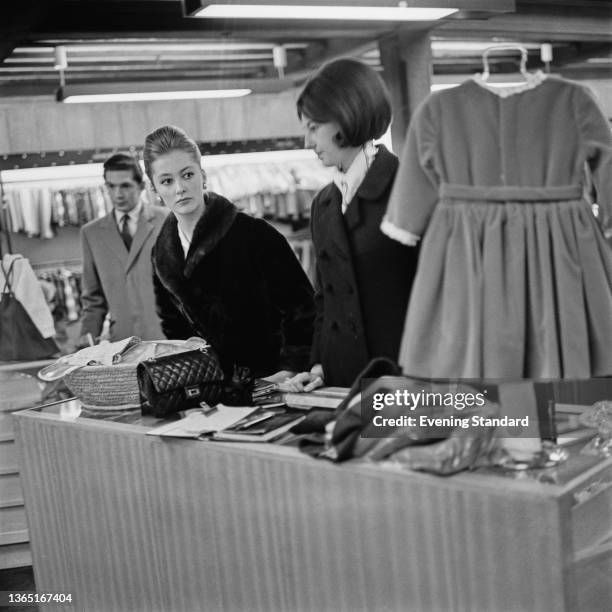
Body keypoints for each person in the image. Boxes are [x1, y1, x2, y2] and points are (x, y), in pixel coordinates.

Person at [287, 58, 419, 390]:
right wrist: (318, 366)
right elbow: (325, 299)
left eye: (313, 128)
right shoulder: (323, 204)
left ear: (346, 115)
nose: (307, 142)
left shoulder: (409, 188)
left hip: (403, 378)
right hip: (341, 383)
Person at [145, 125, 315, 379]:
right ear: (155, 190)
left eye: (187, 175)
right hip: (210, 390)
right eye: (167, 181)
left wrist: (290, 367)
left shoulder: (255, 234)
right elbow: (174, 328)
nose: (179, 188)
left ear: (202, 175)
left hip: (273, 381)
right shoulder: (161, 256)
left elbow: (303, 307)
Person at [78, 154, 168, 347]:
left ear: (141, 187)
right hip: (122, 344)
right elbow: (93, 300)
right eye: (111, 186)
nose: (118, 194)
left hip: (169, 340)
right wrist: (84, 344)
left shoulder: (167, 221)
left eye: (125, 186)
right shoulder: (91, 234)